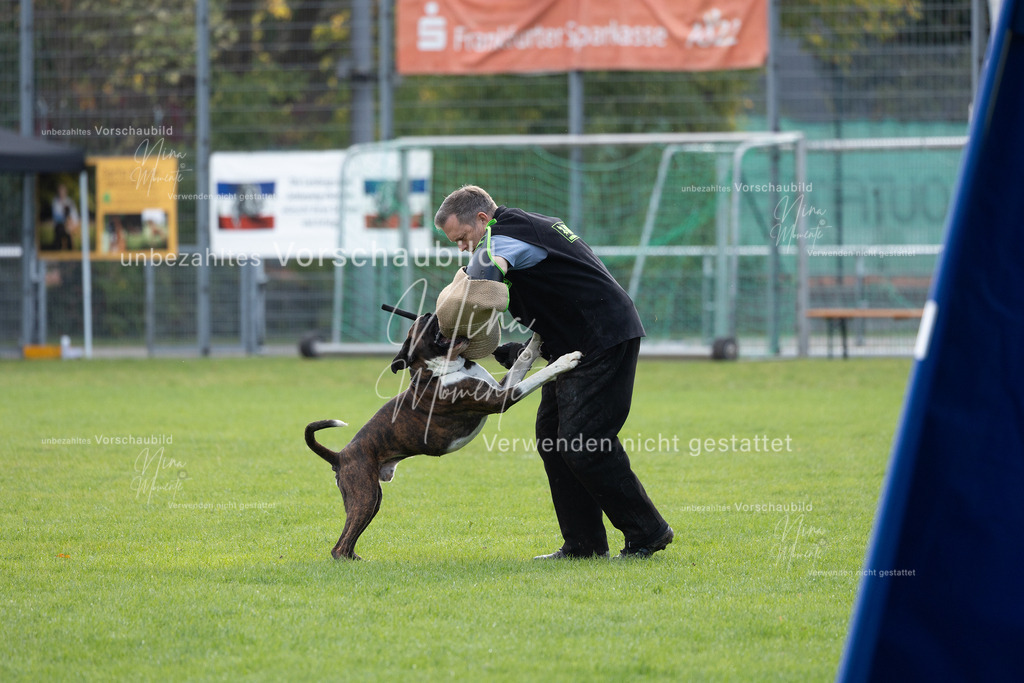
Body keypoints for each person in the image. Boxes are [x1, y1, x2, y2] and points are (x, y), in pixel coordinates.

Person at [434, 185, 673, 559]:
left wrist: (449, 316)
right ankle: (584, 545)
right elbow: (562, 295)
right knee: (552, 437)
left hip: (603, 338)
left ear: (482, 219)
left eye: (463, 238)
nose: (463, 248)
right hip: (578, 341)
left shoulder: (503, 236)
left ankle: (648, 532)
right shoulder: (527, 228)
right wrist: (525, 349)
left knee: (583, 441)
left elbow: (484, 282)